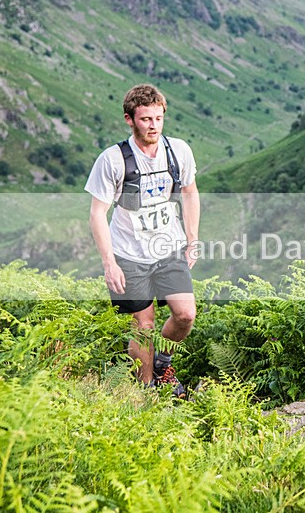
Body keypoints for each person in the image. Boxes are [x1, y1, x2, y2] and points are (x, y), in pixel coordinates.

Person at [85, 84, 200, 397]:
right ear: (129, 119)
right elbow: (97, 214)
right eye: (146, 119)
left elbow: (190, 193)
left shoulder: (178, 151)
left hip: (168, 247)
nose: (154, 125)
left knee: (185, 314)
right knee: (144, 326)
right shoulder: (113, 160)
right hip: (129, 254)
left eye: (159, 118)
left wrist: (192, 238)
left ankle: (163, 365)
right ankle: (147, 393)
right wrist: (109, 263)